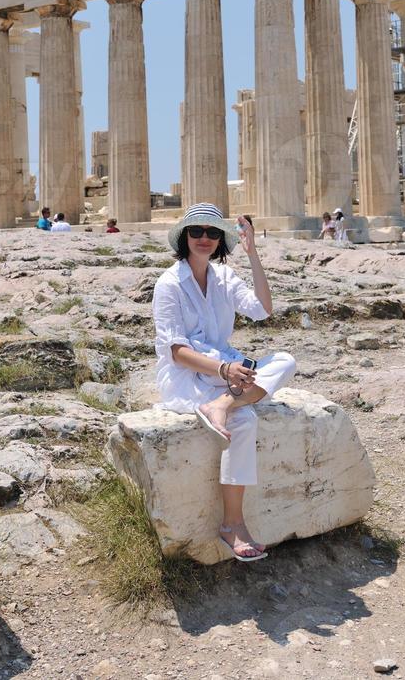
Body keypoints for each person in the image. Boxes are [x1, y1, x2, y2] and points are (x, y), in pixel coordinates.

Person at [152, 203, 296, 563]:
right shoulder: (169, 283)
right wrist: (223, 371)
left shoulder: (224, 278)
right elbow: (175, 351)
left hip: (225, 371)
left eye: (213, 233)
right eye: (197, 231)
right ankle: (233, 524)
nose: (204, 239)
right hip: (187, 376)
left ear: (221, 241)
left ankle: (221, 405)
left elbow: (263, 309)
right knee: (245, 421)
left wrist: (252, 254)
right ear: (184, 237)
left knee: (285, 361)